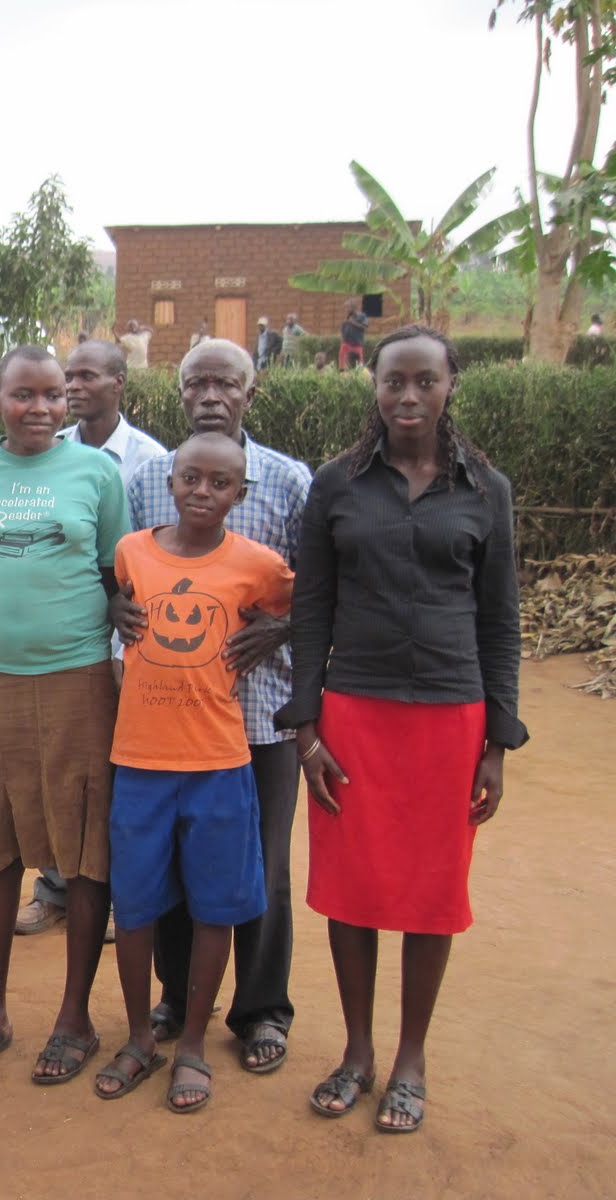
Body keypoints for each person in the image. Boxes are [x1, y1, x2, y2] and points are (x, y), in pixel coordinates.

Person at [278, 325, 527, 1134]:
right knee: (351, 892)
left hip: (450, 721)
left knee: (430, 894)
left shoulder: (486, 490)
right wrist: (307, 730)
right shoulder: (338, 486)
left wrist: (497, 741)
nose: (408, 397)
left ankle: (409, 1060)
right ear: (373, 387)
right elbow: (311, 607)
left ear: (452, 385)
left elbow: (500, 620)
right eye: (394, 382)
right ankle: (356, 1053)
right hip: (353, 715)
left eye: (425, 381)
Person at [115, 338, 312, 1077]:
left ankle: (261, 1008)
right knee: (169, 868)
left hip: (260, 713)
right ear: (180, 393)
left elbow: (317, 590)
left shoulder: (290, 482)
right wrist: (116, 610)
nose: (211, 395)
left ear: (250, 395)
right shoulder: (146, 480)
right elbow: (125, 573)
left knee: (260, 870)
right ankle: (175, 999)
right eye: (196, 382)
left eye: (226, 383)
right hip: (167, 715)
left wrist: (283, 628)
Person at [0, 346, 130, 1085]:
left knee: (84, 850)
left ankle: (74, 1018)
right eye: (25, 395)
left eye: (55, 394)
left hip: (81, 681)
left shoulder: (96, 474)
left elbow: (118, 575)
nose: (43, 408)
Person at [18, 340, 166, 938]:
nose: (73, 388)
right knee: (54, 768)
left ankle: (106, 898)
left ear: (119, 384)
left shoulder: (151, 461)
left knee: (106, 778)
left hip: (123, 648)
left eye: (85, 376)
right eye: (65, 379)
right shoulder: (46, 453)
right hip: (61, 647)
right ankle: (53, 888)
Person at [338, 303, 369, 371]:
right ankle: (342, 374)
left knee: (359, 365)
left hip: (357, 345)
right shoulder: (347, 318)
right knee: (342, 364)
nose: (346, 310)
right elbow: (342, 331)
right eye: (345, 308)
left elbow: (365, 326)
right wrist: (342, 341)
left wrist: (353, 322)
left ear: (353, 308)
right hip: (346, 344)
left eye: (347, 308)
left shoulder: (362, 316)